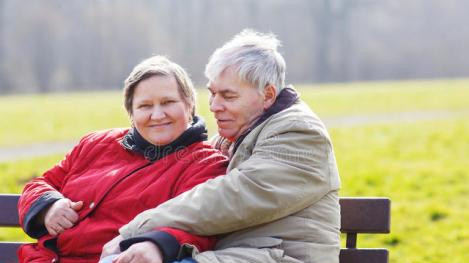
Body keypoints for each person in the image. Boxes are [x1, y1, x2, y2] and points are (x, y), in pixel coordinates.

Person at [103, 29, 341, 263]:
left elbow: (234, 196)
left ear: (267, 95)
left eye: (228, 96)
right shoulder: (234, 135)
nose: (214, 106)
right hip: (241, 254)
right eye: (213, 93)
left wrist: (137, 228)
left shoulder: (300, 133)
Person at [17, 56, 228, 263]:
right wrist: (49, 207)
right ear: (131, 112)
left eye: (168, 102)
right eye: (145, 106)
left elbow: (199, 226)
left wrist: (155, 244)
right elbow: (41, 184)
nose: (157, 115)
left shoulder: (205, 164)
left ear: (189, 104)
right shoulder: (95, 143)